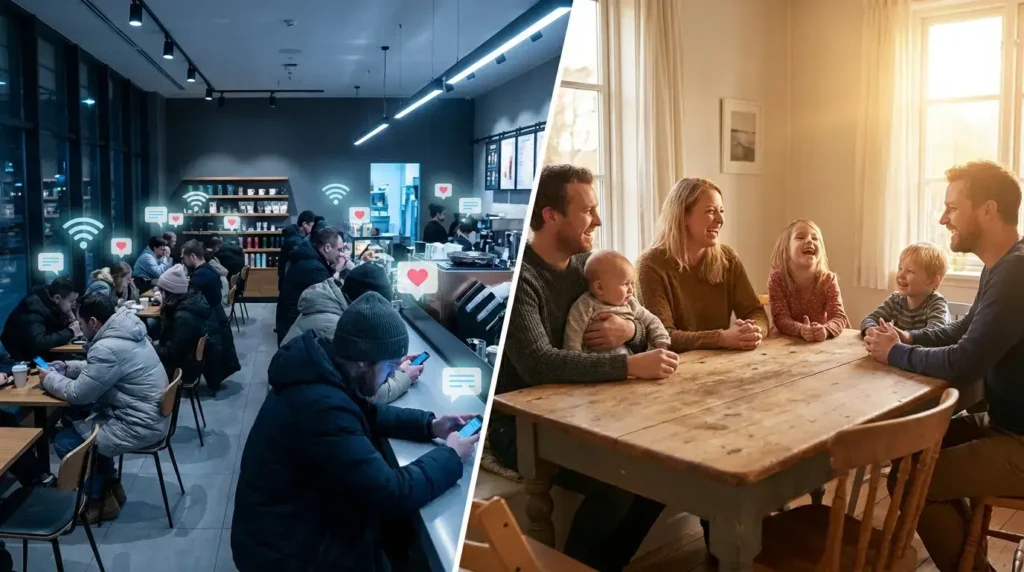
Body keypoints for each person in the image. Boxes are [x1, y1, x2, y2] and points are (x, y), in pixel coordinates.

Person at [492, 164, 678, 571]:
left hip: (582, 409)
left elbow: (638, 318)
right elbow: (539, 363)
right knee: (618, 485)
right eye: (588, 210)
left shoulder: (585, 269)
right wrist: (628, 366)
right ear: (550, 216)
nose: (599, 219)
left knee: (666, 477)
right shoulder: (522, 278)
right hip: (517, 425)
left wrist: (627, 327)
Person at [231, 292, 479, 571]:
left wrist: (430, 425)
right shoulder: (321, 408)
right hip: (286, 552)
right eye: (388, 366)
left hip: (292, 525)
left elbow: (366, 412)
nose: (390, 375)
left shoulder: (323, 373)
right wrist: (451, 455)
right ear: (364, 361)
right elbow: (390, 492)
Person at [864, 160, 1024, 572]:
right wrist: (908, 339)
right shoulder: (1003, 265)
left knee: (912, 480)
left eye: (952, 207)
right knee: (910, 449)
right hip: (1005, 424)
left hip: (1019, 441)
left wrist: (894, 354)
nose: (942, 218)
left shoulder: (1017, 272)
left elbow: (965, 362)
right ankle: (971, 556)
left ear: (988, 210)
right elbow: (966, 328)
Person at [41, 292, 169, 523]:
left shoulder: (107, 347)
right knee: (86, 430)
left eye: (80, 323)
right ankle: (110, 487)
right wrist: (67, 368)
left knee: (67, 442)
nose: (79, 328)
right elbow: (102, 370)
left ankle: (98, 500)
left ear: (93, 322)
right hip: (149, 415)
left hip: (138, 424)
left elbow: (78, 394)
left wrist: (48, 378)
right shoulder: (128, 331)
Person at [637, 178, 769, 352]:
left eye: (721, 211)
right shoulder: (650, 265)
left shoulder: (728, 258)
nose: (720, 219)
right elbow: (663, 336)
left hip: (721, 363)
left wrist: (752, 331)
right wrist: (720, 338)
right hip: (671, 369)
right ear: (683, 216)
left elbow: (756, 312)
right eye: (710, 211)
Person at [281, 263, 421, 404]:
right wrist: (404, 377)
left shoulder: (330, 301)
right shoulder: (334, 326)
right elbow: (365, 394)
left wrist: (387, 361)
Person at [563, 250, 671, 354]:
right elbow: (573, 335)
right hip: (595, 364)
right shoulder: (585, 305)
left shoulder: (631, 303)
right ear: (600, 287)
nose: (631, 290)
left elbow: (652, 321)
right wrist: (576, 360)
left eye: (632, 284)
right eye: (625, 284)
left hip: (629, 361)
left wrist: (661, 341)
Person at [767, 219, 850, 341]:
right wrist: (801, 329)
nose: (809, 241)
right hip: (784, 342)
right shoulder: (777, 279)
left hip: (818, 343)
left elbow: (838, 316)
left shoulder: (828, 279)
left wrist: (826, 330)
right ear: (786, 250)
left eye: (815, 238)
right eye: (800, 237)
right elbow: (780, 318)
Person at [181, 239, 240, 391]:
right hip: (217, 317)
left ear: (192, 256)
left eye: (184, 258)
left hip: (208, 321)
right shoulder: (210, 270)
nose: (183, 261)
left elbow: (192, 303)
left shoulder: (199, 277)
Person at [276, 226, 348, 345]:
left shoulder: (310, 257)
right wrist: (337, 271)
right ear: (327, 248)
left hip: (292, 320)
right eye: (339, 249)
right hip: (292, 328)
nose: (341, 254)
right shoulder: (313, 267)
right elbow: (327, 293)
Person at [860, 242, 949, 335]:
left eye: (910, 271)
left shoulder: (936, 304)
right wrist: (870, 329)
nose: (900, 275)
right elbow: (870, 318)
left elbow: (935, 333)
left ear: (931, 281)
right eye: (900, 268)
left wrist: (902, 336)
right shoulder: (895, 300)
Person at [1, 275, 80, 361]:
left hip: (40, 353)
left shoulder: (53, 304)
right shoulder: (33, 307)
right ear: (57, 298)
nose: (73, 305)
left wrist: (67, 322)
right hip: (24, 357)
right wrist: (71, 331)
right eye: (71, 301)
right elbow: (40, 342)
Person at [153, 265, 210, 382]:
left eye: (162, 291)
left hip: (182, 369)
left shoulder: (183, 317)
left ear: (169, 293)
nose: (160, 294)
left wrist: (150, 347)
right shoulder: (191, 303)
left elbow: (171, 353)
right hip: (188, 360)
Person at [278, 210, 317, 290]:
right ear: (304, 224)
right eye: (312, 226)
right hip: (288, 279)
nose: (313, 229)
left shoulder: (296, 235)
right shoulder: (294, 238)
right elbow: (301, 253)